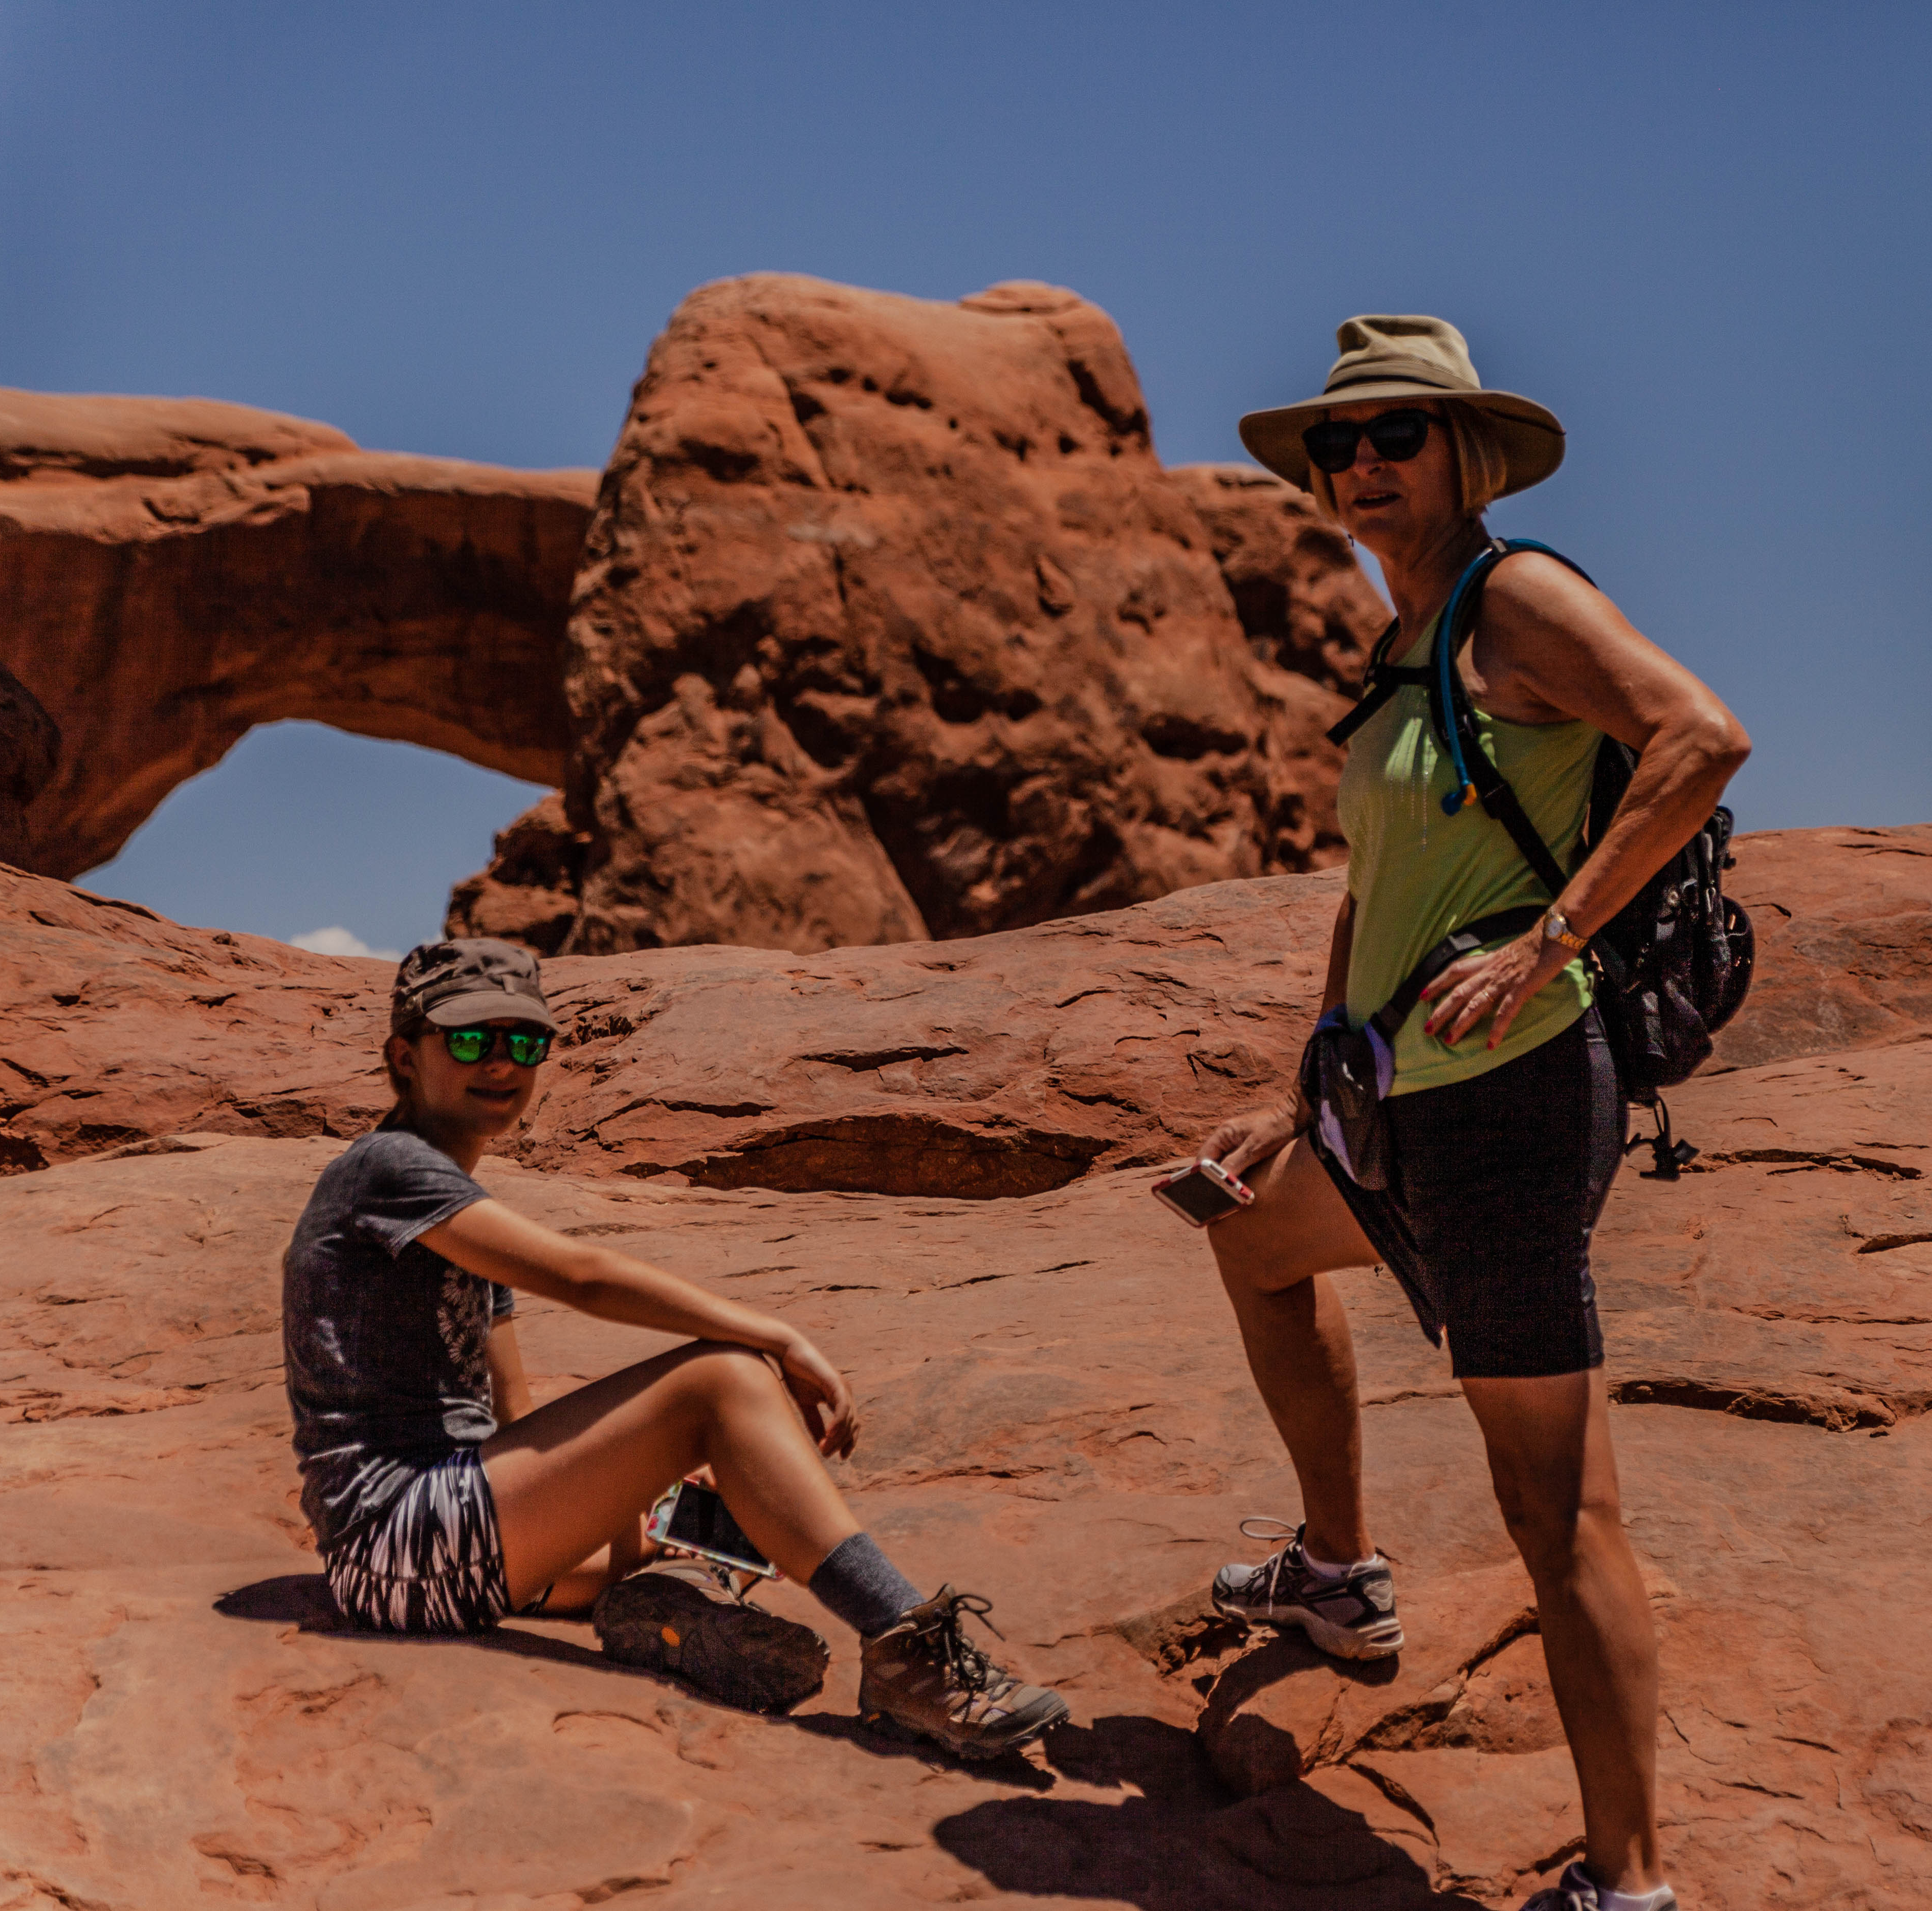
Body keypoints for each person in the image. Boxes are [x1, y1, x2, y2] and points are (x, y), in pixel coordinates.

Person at [1196, 317, 1749, 1911]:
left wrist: (1549, 940)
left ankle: (1628, 1881)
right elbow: (1377, 878)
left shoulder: (1515, 596)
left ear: (1466, 454)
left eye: (1395, 434)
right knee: (1250, 1236)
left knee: (1556, 1509)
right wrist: (1309, 1067)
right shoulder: (1411, 638)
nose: (1360, 463)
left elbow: (1700, 734)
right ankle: (1335, 1574)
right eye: (1338, 443)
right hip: (1394, 1097)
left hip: (1505, 1102)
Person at [279, 936, 1067, 1759]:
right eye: (471, 1039)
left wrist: (625, 1504)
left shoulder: (458, 1212)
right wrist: (774, 1335)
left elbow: (515, 1420)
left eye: (525, 1040)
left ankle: (670, 1598)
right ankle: (906, 1652)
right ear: (404, 1056)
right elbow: (583, 1278)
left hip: (466, 1537)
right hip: (397, 1543)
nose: (502, 1061)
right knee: (724, 1383)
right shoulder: (388, 1168)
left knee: (756, 1480)